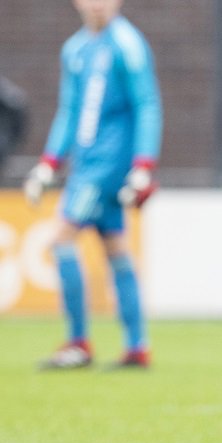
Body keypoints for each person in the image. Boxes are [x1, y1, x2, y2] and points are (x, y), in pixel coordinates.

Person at [24, 0, 162, 369]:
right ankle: (137, 347)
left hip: (106, 166)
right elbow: (70, 109)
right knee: (116, 248)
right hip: (84, 165)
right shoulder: (75, 48)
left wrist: (143, 164)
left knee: (61, 239)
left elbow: (147, 104)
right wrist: (49, 162)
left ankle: (78, 343)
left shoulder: (127, 43)